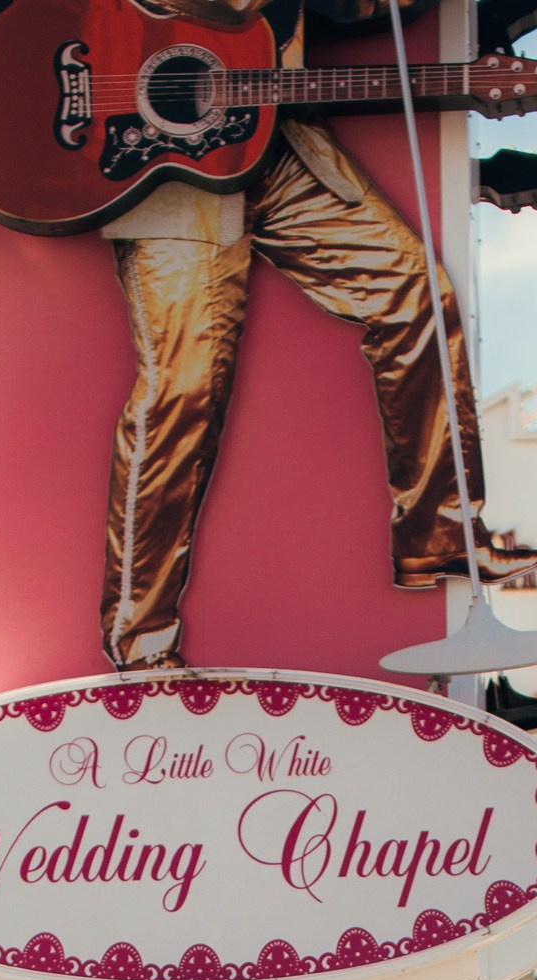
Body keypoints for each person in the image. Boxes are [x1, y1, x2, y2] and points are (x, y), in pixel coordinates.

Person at [98, 0, 490, 670]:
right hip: (160, 149)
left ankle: (439, 536)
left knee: (412, 289)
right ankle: (139, 643)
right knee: (183, 389)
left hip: (275, 138)